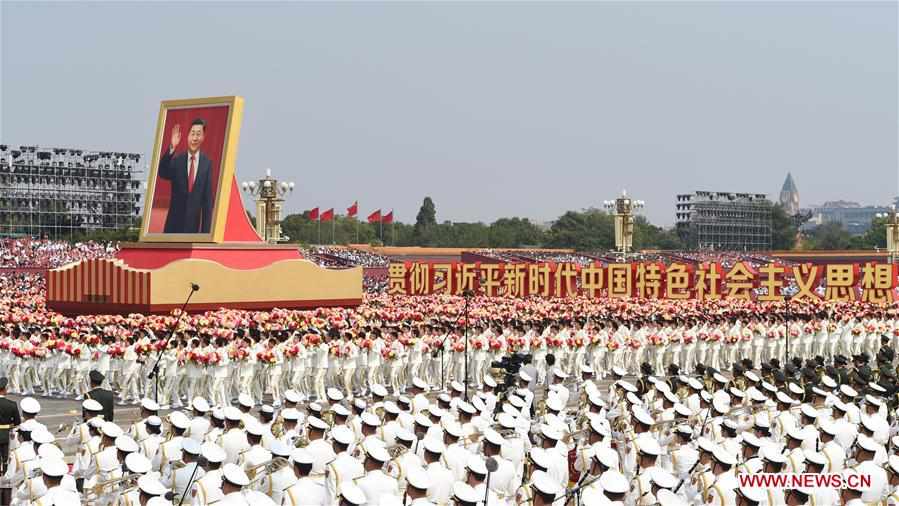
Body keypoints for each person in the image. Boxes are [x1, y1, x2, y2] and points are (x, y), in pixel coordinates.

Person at [157, 118, 214, 234]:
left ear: (203, 137)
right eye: (192, 133)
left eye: (198, 134)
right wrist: (172, 147)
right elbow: (162, 172)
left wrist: (205, 235)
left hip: (192, 229)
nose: (195, 138)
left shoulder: (207, 164)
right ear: (187, 136)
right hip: (173, 227)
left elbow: (207, 203)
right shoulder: (177, 161)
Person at [0, 377, 20, 505]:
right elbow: (17, 422)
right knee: (7, 460)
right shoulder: (11, 404)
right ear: (4, 389)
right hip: (6, 435)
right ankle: (5, 484)